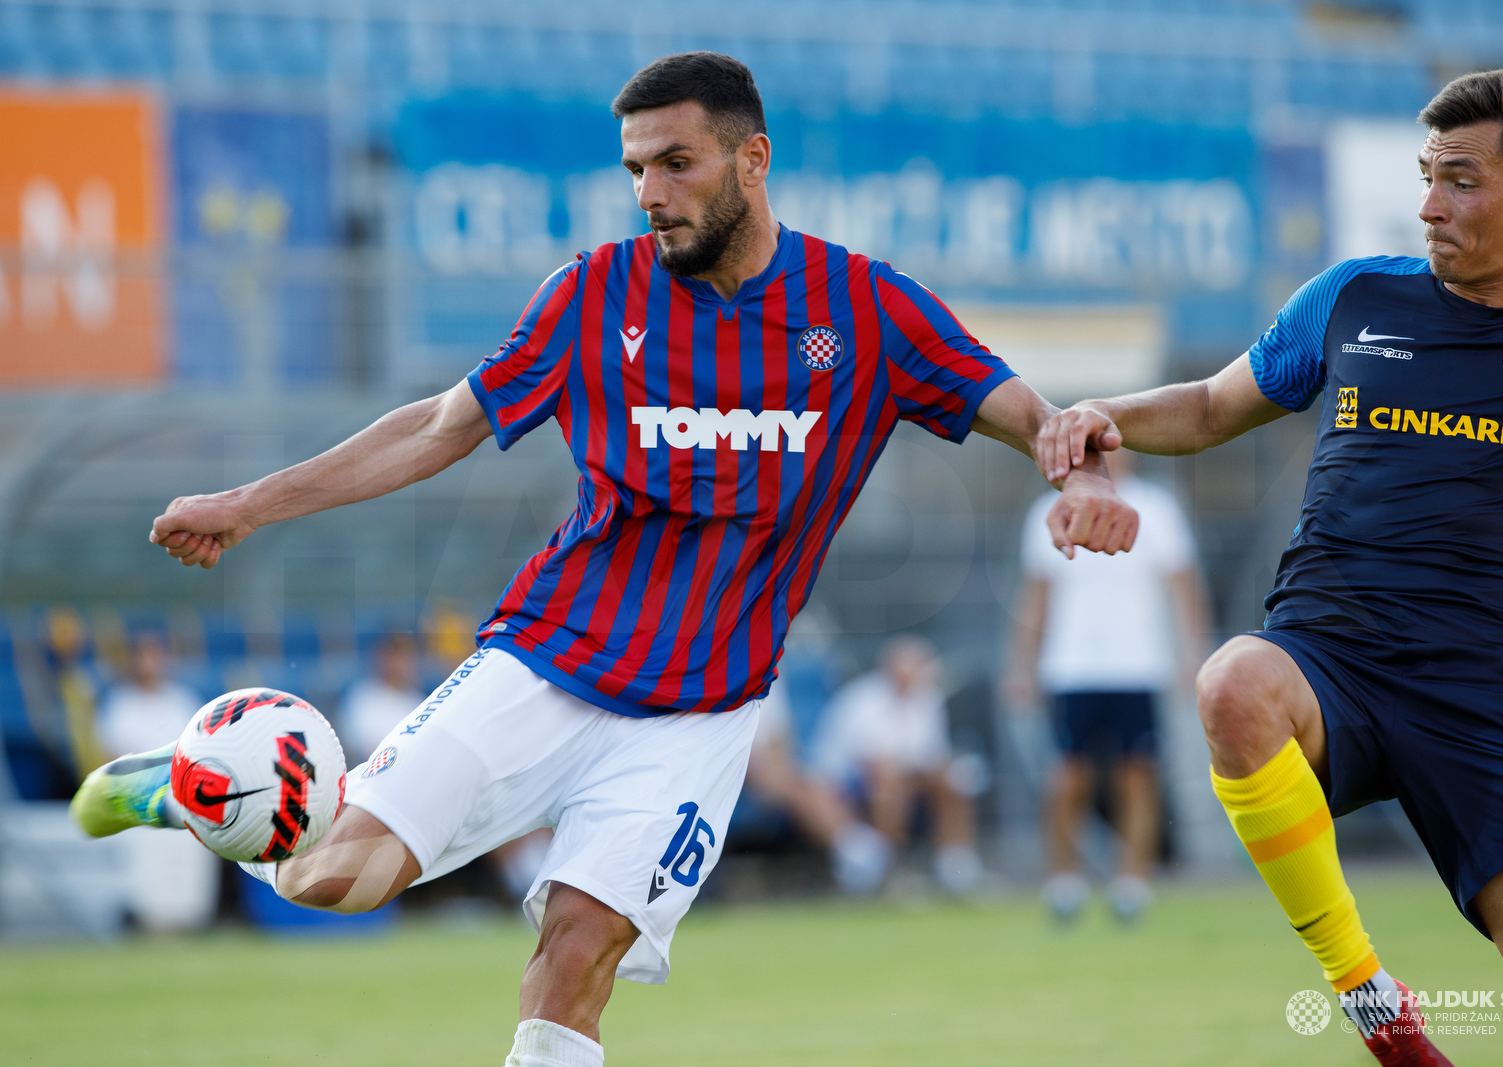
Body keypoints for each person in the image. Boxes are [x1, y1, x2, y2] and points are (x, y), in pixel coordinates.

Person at [68, 52, 1135, 1066]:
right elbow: (436, 426)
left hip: (700, 715)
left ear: (750, 161)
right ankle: (187, 786)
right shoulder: (591, 296)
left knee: (577, 951)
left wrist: (1080, 475)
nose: (649, 192)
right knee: (331, 878)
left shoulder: (866, 307)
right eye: (634, 169)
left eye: (676, 163)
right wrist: (247, 504)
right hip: (547, 660)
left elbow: (1029, 414)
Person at [1042, 69, 1503, 1066]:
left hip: (1480, 690)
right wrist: (1103, 415)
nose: (1429, 203)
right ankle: (1374, 1006)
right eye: (1425, 176)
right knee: (1232, 682)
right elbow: (1213, 407)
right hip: (1326, 652)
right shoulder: (1353, 296)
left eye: (1460, 181)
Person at [1008, 448, 1208, 923]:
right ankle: (1064, 882)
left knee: (1137, 774)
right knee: (1067, 776)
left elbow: (1184, 586)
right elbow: (1037, 595)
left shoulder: (1157, 508)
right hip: (1070, 666)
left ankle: (1131, 884)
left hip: (1139, 664)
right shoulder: (1049, 510)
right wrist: (1022, 665)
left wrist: (1192, 656)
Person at [814, 636, 982, 895]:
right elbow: (871, 764)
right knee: (889, 788)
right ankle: (889, 873)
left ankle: (956, 870)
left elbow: (931, 757)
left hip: (904, 776)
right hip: (844, 781)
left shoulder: (929, 698)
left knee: (954, 781)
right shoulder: (862, 699)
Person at [97, 633, 218, 931]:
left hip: (183, 795)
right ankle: (148, 921)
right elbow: (114, 755)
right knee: (149, 865)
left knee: (188, 863)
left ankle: (190, 919)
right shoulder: (121, 704)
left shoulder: (182, 699)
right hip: (141, 797)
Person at [741, 677, 892, 895]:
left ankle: (855, 851)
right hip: (739, 765)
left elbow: (779, 739)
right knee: (798, 784)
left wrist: (786, 769)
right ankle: (859, 853)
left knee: (812, 784)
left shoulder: (770, 676)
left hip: (771, 765)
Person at [341, 633, 424, 763]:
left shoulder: (417, 700)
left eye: (406, 657)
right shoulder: (363, 695)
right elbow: (359, 745)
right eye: (395, 657)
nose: (401, 664)